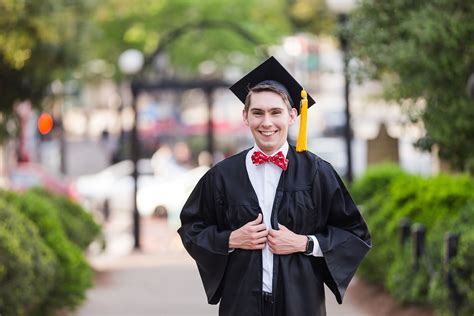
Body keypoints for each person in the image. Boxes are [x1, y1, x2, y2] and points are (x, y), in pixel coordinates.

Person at [178, 56, 371, 316]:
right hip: (241, 303)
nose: (266, 122)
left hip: (300, 303)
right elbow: (192, 228)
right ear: (245, 117)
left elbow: (354, 234)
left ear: (292, 115)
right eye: (257, 112)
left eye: (276, 112)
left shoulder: (317, 173)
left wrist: (305, 243)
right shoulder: (222, 176)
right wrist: (230, 239)